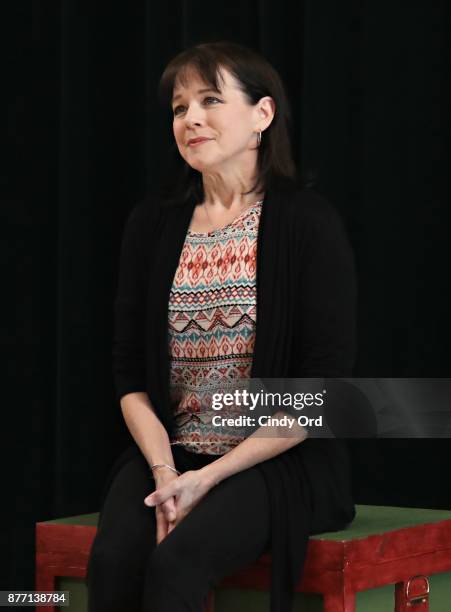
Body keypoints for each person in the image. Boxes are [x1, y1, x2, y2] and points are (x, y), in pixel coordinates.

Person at [87, 40, 357, 612]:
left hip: (276, 460)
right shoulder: (152, 225)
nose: (191, 118)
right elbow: (129, 374)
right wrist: (165, 472)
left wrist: (208, 480)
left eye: (210, 99)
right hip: (172, 450)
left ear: (262, 115)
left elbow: (320, 393)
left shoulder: (308, 223)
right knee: (113, 561)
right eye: (179, 108)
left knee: (177, 562)